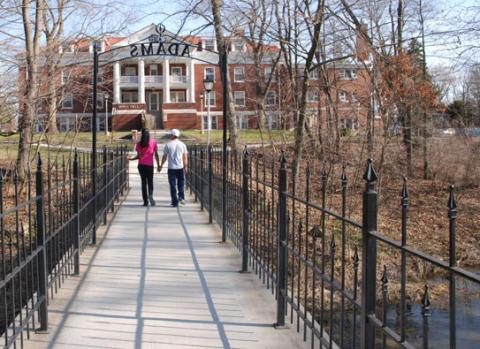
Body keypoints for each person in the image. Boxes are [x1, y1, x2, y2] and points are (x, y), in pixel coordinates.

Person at [129, 128, 160, 206]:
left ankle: (145, 201)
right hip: (150, 165)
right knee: (150, 182)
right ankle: (150, 195)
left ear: (142, 134)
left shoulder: (139, 144)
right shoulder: (153, 142)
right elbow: (156, 154)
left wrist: (131, 159)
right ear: (149, 134)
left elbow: (139, 157)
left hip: (141, 165)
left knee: (143, 183)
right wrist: (159, 165)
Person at [159, 129, 188, 207]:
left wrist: (161, 165)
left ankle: (174, 201)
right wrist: (186, 167)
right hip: (180, 167)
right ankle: (181, 198)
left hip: (171, 168)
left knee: (172, 185)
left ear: (172, 135)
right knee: (181, 183)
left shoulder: (168, 145)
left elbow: (164, 157)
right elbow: (185, 157)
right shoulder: (183, 144)